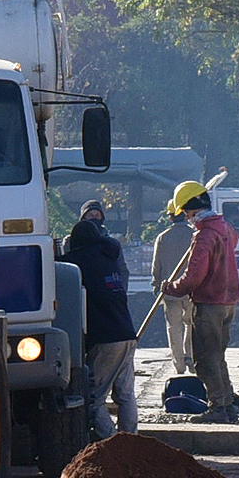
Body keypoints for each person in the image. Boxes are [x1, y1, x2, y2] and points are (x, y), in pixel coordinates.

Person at [161, 182, 239, 423]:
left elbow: (195, 276)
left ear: (192, 209)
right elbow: (234, 241)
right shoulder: (224, 228)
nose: (185, 217)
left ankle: (218, 408)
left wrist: (172, 288)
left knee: (205, 359)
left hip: (210, 303)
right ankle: (227, 404)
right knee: (218, 356)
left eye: (185, 212)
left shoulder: (205, 235)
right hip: (229, 302)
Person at [66, 218, 139, 438]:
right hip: (127, 334)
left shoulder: (81, 260)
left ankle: (112, 443)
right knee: (126, 395)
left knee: (95, 399)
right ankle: (132, 442)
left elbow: (58, 265)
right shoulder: (110, 257)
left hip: (106, 340)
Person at [151, 183, 198, 376]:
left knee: (174, 327)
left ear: (170, 216)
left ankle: (179, 364)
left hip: (170, 290)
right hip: (192, 289)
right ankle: (191, 358)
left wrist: (156, 286)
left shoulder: (163, 237)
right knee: (191, 325)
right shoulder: (195, 235)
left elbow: (157, 266)